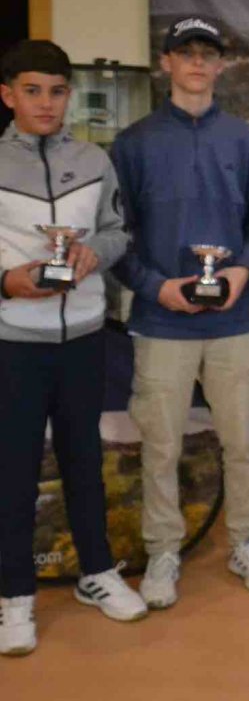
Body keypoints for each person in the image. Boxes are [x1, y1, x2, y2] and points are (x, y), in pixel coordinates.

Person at [111, 17, 249, 609]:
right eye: (185, 53)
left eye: (207, 54)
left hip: (232, 320)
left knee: (241, 440)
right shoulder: (133, 143)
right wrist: (156, 288)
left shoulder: (243, 139)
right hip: (161, 322)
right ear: (166, 63)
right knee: (160, 444)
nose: (197, 63)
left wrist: (241, 271)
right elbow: (117, 237)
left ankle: (245, 543)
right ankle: (163, 551)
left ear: (219, 66)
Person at [0, 40, 146, 657]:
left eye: (57, 91)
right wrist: (5, 282)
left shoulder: (94, 159)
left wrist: (94, 254)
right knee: (13, 469)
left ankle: (97, 572)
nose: (46, 103)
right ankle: (14, 598)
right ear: (8, 95)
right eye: (32, 90)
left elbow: (118, 232)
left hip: (84, 336)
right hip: (14, 343)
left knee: (86, 458)